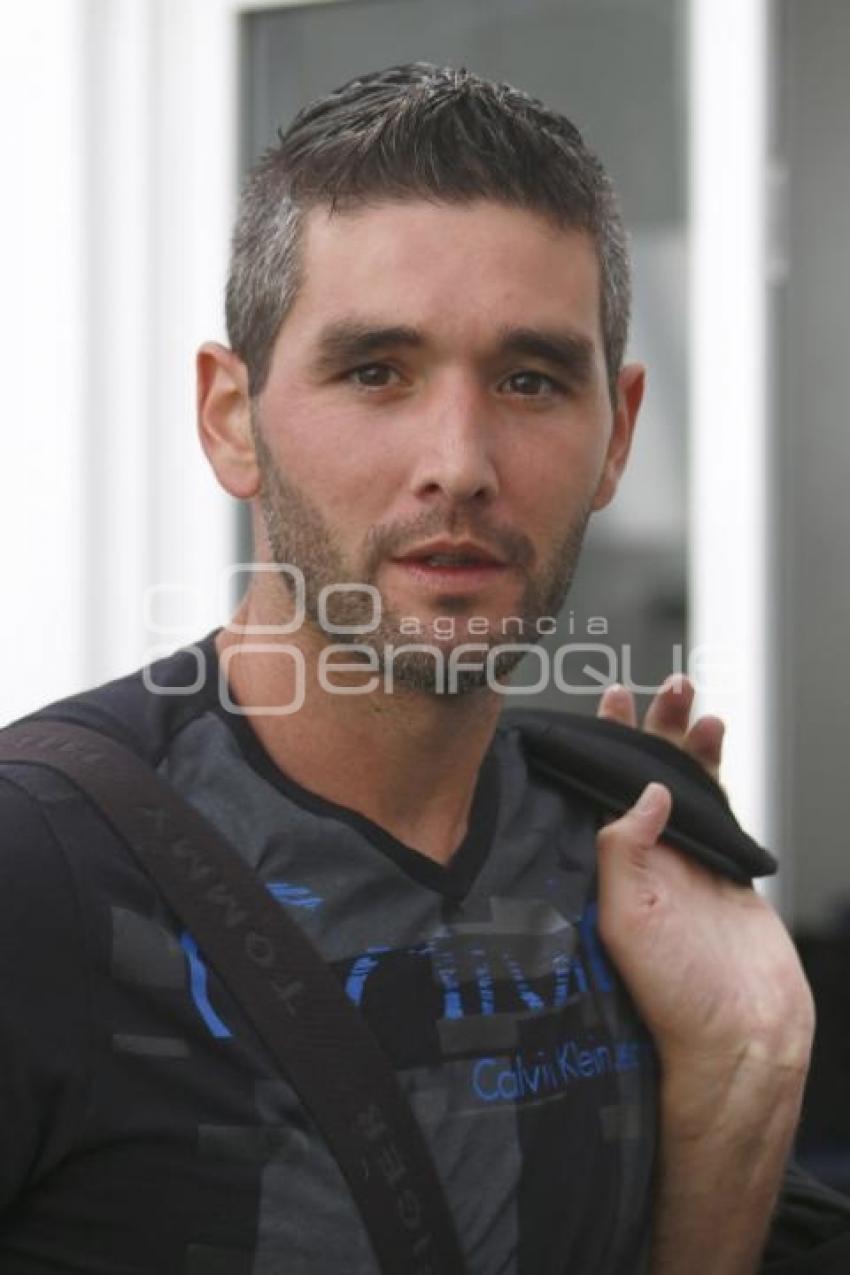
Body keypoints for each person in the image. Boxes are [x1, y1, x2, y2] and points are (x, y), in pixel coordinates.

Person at [0, 62, 845, 1274]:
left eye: (529, 380)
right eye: (376, 372)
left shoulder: (620, 870)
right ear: (232, 417)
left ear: (617, 435)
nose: (459, 460)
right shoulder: (41, 873)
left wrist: (743, 1067)